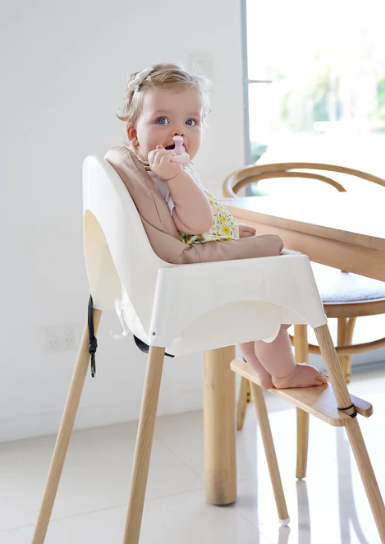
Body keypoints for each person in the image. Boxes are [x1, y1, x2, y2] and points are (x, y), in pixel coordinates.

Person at [116, 63, 328, 390]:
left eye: (191, 121)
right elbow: (197, 220)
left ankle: (262, 371)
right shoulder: (165, 176)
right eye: (162, 120)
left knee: (246, 318)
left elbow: (191, 228)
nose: (179, 132)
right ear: (134, 134)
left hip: (208, 279)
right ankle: (284, 372)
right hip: (204, 287)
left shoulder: (160, 173)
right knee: (269, 305)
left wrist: (228, 235)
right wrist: (176, 177)